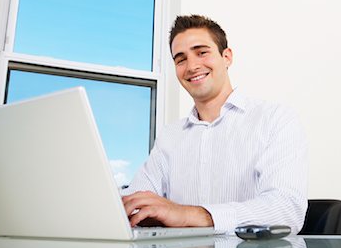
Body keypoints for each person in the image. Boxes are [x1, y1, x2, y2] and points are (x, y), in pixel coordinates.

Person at [122, 14, 308, 234]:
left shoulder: (275, 119)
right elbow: (136, 202)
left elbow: (286, 210)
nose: (191, 66)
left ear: (227, 57)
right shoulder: (170, 136)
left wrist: (188, 215)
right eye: (181, 59)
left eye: (202, 52)